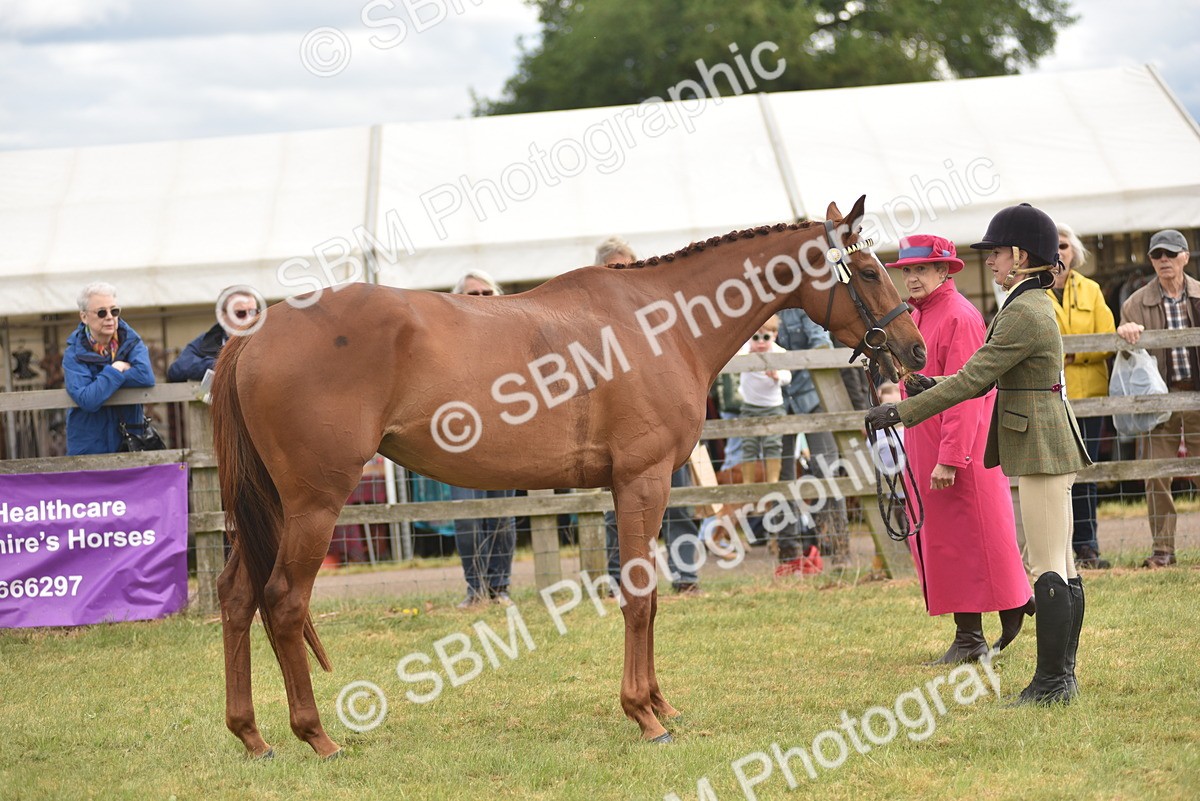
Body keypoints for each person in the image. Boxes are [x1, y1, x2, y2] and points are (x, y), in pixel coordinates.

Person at [867, 204, 1092, 706]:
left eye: (997, 252)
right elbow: (983, 375)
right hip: (1045, 440)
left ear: (1021, 256)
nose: (989, 260)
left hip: (1041, 445)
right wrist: (929, 384)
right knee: (1061, 564)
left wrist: (901, 412)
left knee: (1050, 567)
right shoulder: (1026, 304)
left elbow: (975, 379)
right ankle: (1060, 678)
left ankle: (1053, 682)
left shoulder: (1023, 311)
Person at [884, 234, 1033, 664]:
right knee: (949, 544)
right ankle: (986, 622)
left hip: (957, 446)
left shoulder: (959, 316)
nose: (912, 278)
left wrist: (951, 457)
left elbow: (968, 392)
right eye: (907, 271)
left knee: (973, 540)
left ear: (943, 270)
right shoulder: (917, 315)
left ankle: (990, 621)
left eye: (921, 269)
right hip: (927, 442)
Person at [594, 236, 704, 594]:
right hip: (624, 430)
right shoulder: (594, 321)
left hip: (666, 422)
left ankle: (686, 576)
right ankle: (619, 579)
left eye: (626, 267)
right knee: (619, 510)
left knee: (678, 504)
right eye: (613, 268)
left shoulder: (656, 313)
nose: (620, 274)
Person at [1116, 229, 1196, 569]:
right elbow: (1124, 353)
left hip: (1197, 395)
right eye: (1157, 254)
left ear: (1185, 257)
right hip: (1158, 401)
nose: (1164, 260)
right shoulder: (1134, 303)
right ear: (1150, 260)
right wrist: (1124, 332)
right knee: (1156, 473)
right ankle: (1163, 550)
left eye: (1171, 253)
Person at [449, 269, 518, 608]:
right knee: (467, 516)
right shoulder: (446, 341)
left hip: (503, 438)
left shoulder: (512, 339)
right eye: (472, 294)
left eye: (486, 293)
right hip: (459, 442)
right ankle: (475, 589)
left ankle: (499, 588)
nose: (480, 299)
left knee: (501, 515)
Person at [1048, 224, 1115, 570]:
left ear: (1074, 252)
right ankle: (1058, 550)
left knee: (1085, 476)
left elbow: (1107, 338)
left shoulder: (1092, 289)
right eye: (1053, 245)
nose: (1059, 251)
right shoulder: (1031, 292)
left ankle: (1088, 547)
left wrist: (1073, 354)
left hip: (1089, 396)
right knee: (1055, 477)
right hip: (1051, 399)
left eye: (1064, 245)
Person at [776, 308, 852, 570]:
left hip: (812, 395)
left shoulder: (805, 308)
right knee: (781, 476)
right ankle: (788, 553)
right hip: (777, 400)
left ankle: (839, 549)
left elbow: (821, 342)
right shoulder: (761, 306)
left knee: (826, 470)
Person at [63, 282, 156, 455]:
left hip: (130, 442)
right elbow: (88, 400)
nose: (109, 317)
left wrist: (99, 383)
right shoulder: (73, 353)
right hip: (89, 447)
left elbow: (146, 376)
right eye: (101, 312)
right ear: (84, 317)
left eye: (114, 311)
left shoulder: (131, 340)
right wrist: (117, 368)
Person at [737, 316, 791, 485]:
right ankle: (748, 485)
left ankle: (773, 483)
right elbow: (734, 359)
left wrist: (777, 375)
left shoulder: (778, 352)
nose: (760, 342)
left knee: (773, 444)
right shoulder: (745, 350)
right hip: (749, 406)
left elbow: (787, 376)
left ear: (774, 335)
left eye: (765, 337)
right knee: (749, 445)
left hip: (773, 407)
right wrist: (749, 352)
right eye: (756, 337)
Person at [167, 288, 261, 382]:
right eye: (240, 313)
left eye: (253, 312)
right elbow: (177, 369)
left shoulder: (266, 341)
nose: (249, 319)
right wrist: (219, 365)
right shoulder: (206, 341)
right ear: (222, 316)